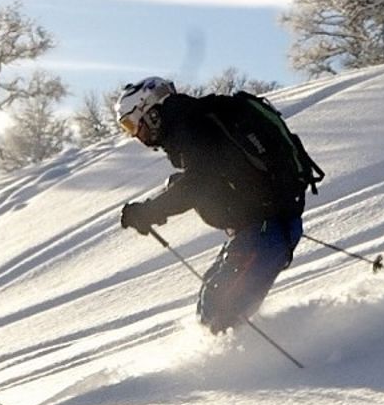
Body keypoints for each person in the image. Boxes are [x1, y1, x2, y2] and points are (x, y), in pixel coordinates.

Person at [113, 76, 305, 332]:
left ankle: (260, 356)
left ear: (150, 111)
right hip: (262, 228)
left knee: (218, 310)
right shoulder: (194, 122)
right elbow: (207, 178)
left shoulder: (191, 126)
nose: (136, 134)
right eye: (127, 128)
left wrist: (150, 211)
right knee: (213, 302)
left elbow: (198, 183)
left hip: (266, 231)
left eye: (131, 124)